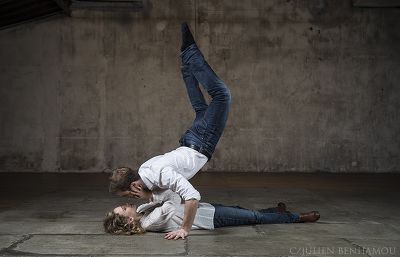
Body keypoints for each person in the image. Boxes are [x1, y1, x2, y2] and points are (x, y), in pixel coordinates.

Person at [108, 22, 232, 240]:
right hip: (189, 141)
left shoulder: (159, 176)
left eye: (127, 193)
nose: (129, 198)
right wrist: (149, 194)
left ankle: (190, 54)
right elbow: (167, 196)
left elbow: (188, 197)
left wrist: (184, 228)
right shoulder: (147, 171)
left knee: (222, 95)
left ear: (134, 184)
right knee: (201, 108)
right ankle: (186, 65)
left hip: (200, 142)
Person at [103, 190, 321, 238]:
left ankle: (276, 211)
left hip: (204, 208)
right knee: (254, 217)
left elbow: (163, 199)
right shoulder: (150, 222)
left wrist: (151, 197)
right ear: (129, 219)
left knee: (242, 211)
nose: (125, 204)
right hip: (210, 219)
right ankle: (297, 218)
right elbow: (171, 199)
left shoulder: (142, 210)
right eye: (123, 208)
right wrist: (151, 193)